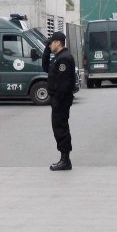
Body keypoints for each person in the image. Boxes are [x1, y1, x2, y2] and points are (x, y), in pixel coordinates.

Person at [43, 32, 76, 171]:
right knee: (58, 128)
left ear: (58, 42)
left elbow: (64, 83)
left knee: (61, 128)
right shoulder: (58, 58)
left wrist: (57, 99)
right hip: (57, 99)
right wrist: (46, 50)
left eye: (51, 43)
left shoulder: (65, 59)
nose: (50, 45)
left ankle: (65, 160)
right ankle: (64, 158)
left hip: (61, 100)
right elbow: (45, 68)